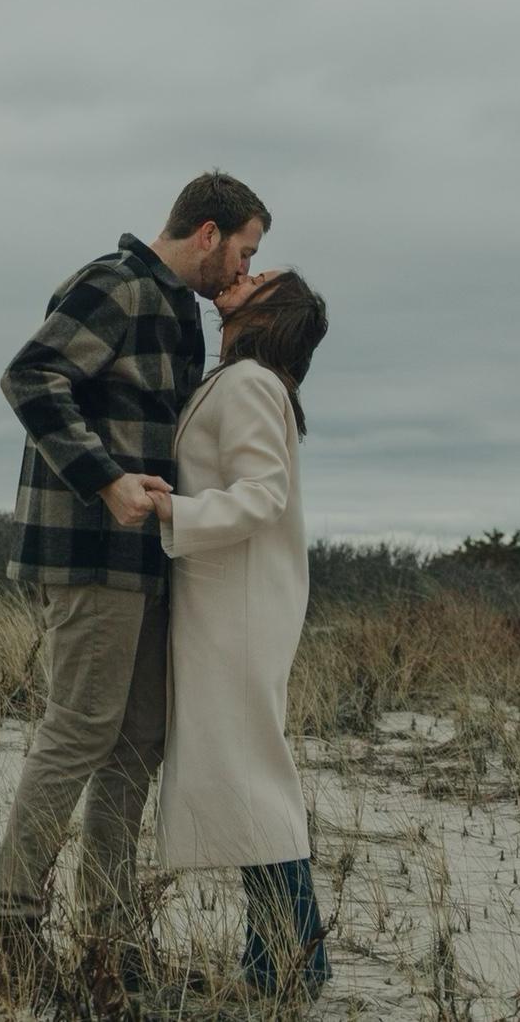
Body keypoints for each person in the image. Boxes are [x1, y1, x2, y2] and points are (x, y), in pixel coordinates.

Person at [0, 171, 271, 996]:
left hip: (147, 560)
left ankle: (109, 941)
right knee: (79, 731)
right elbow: (30, 376)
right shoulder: (118, 284)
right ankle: (9, 937)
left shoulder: (179, 310)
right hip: (87, 552)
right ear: (208, 232)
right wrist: (106, 479)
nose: (244, 267)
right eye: (244, 250)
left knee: (138, 741)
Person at [145, 266, 331, 1000]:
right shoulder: (237, 379)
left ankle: (294, 966)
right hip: (227, 603)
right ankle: (275, 959)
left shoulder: (250, 383)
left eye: (262, 276)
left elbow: (262, 495)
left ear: (270, 311)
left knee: (254, 776)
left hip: (241, 609)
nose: (245, 273)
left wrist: (173, 511)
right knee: (250, 775)